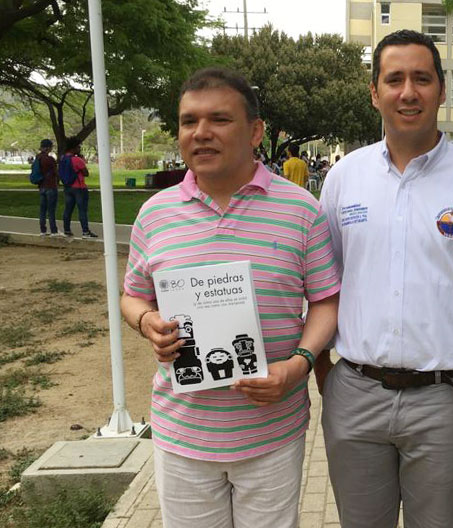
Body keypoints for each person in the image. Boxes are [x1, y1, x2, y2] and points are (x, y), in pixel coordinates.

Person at [318, 29, 453, 528]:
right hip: (355, 395)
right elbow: (321, 281)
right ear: (375, 92)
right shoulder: (344, 178)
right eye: (394, 79)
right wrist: (323, 368)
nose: (408, 91)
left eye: (421, 78)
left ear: (441, 89)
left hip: (446, 399)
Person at [119, 67, 341, 528]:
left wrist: (300, 362)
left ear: (255, 131)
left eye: (219, 120)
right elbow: (132, 296)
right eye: (188, 121)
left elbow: (325, 301)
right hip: (182, 433)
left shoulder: (301, 210)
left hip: (271, 432)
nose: (200, 133)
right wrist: (147, 323)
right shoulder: (154, 215)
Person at [59, 137, 97, 238]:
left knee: (68, 209)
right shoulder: (76, 160)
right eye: (78, 147)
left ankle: (67, 230)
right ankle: (85, 231)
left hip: (68, 187)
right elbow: (86, 173)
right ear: (73, 148)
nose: (79, 148)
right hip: (79, 187)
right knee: (82, 210)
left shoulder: (63, 159)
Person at [35, 139, 58, 236]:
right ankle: (53, 231)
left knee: (42, 210)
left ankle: (43, 230)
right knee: (51, 210)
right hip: (51, 186)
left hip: (42, 186)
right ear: (48, 147)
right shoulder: (50, 159)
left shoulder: (38, 158)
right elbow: (55, 172)